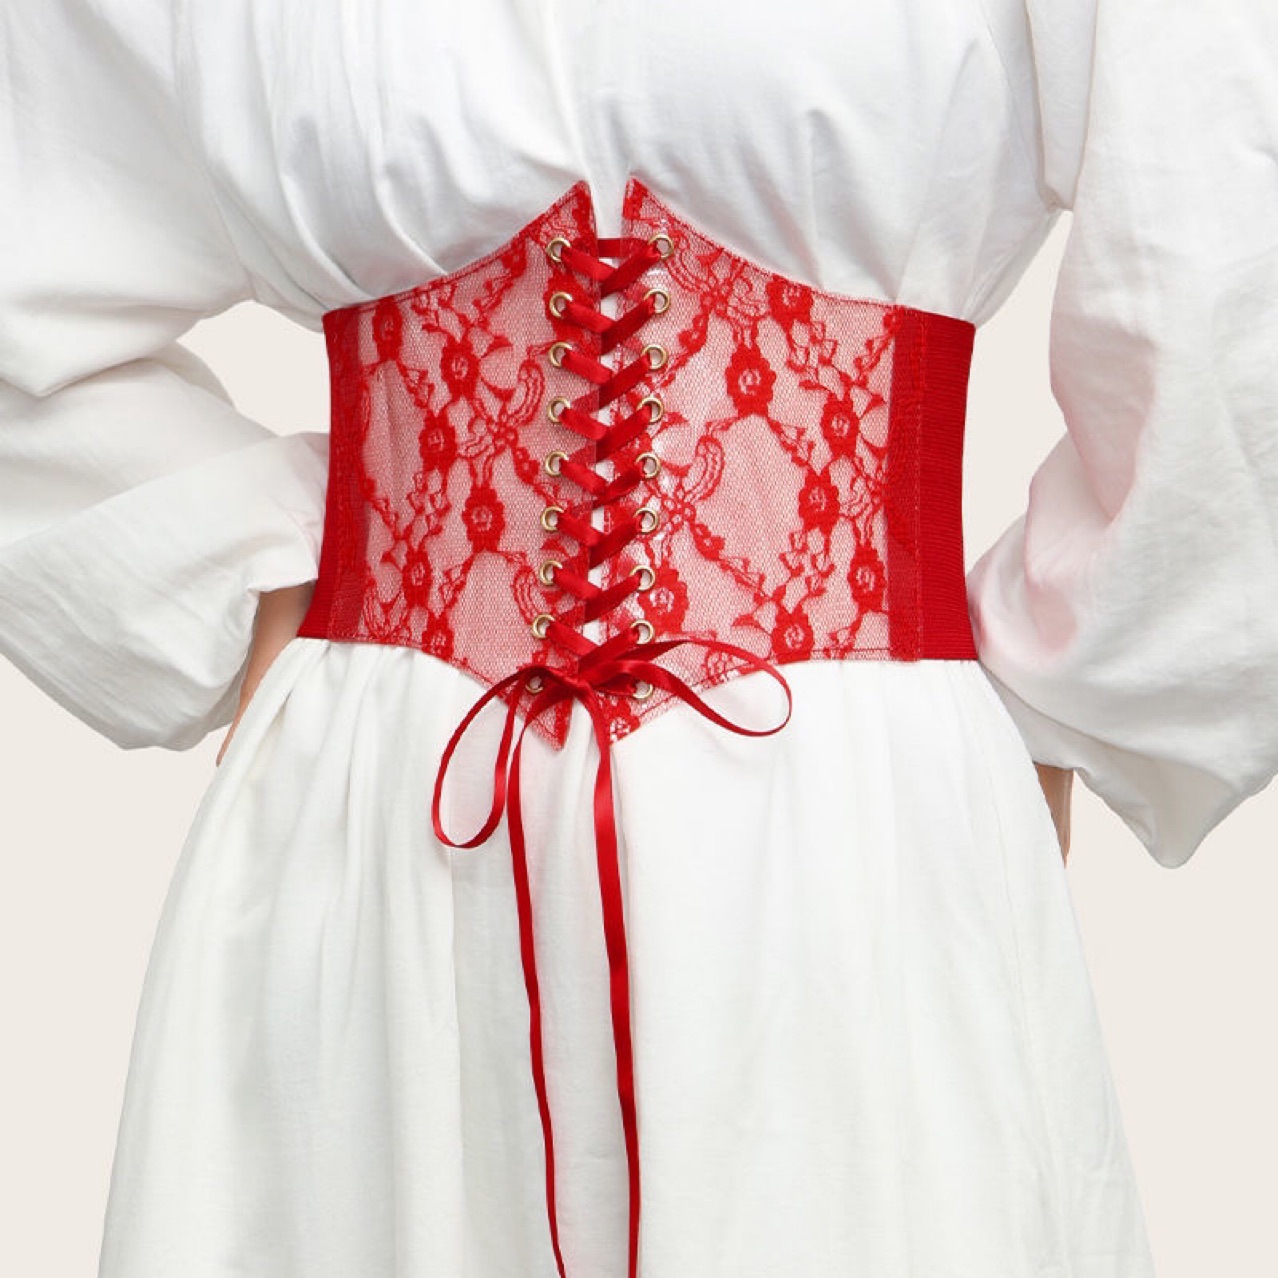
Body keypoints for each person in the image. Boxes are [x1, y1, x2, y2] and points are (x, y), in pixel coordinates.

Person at [1, 2, 1274, 1276]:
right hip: (376, 817)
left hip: (853, 819)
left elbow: (1228, 238)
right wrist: (236, 572)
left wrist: (1081, 687)